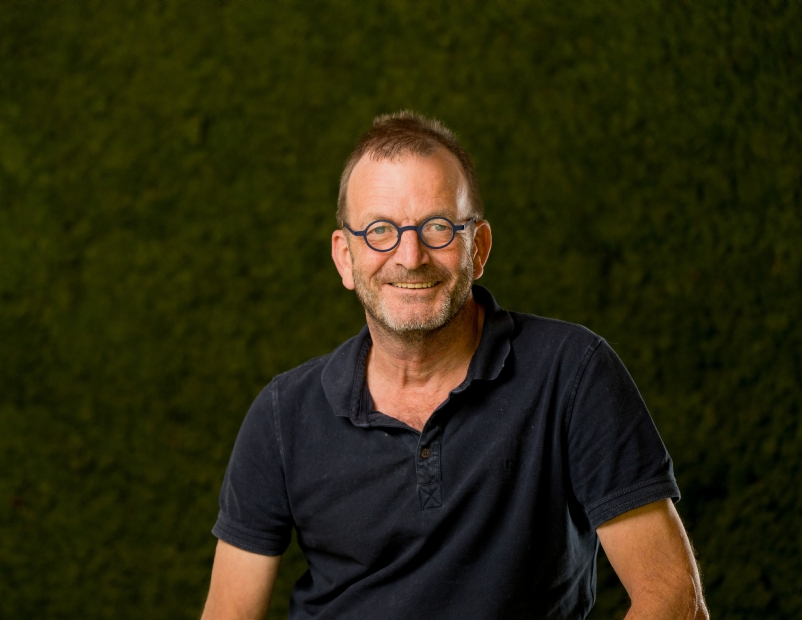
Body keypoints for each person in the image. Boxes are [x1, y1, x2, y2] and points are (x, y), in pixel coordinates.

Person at [201, 111, 709, 620]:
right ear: (344, 258)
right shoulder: (283, 414)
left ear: (478, 248)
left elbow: (672, 598)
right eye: (379, 230)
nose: (410, 256)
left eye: (438, 227)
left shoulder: (573, 373)